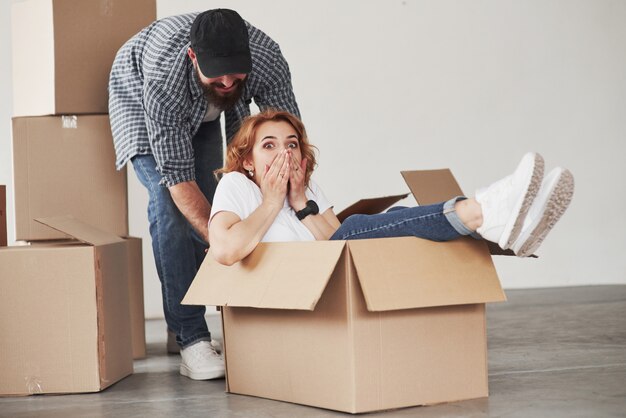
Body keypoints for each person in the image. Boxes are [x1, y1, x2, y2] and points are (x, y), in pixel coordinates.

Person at [108, 9, 299, 380]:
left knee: (218, 201)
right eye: (218, 71)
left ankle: (182, 316)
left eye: (235, 71)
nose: (228, 81)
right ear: (194, 57)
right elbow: (179, 181)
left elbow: (289, 141)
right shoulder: (166, 76)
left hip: (205, 111)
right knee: (172, 207)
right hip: (138, 96)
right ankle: (191, 338)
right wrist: (225, 240)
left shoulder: (266, 57)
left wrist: (295, 202)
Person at [208, 110, 574, 266]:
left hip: (335, 280)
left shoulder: (308, 188)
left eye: (291, 144)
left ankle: (512, 225)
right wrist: (272, 202)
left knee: (394, 219)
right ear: (248, 160)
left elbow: (339, 246)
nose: (284, 152)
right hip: (287, 297)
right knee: (360, 227)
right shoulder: (237, 186)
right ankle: (483, 211)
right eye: (268, 145)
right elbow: (225, 252)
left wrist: (302, 200)